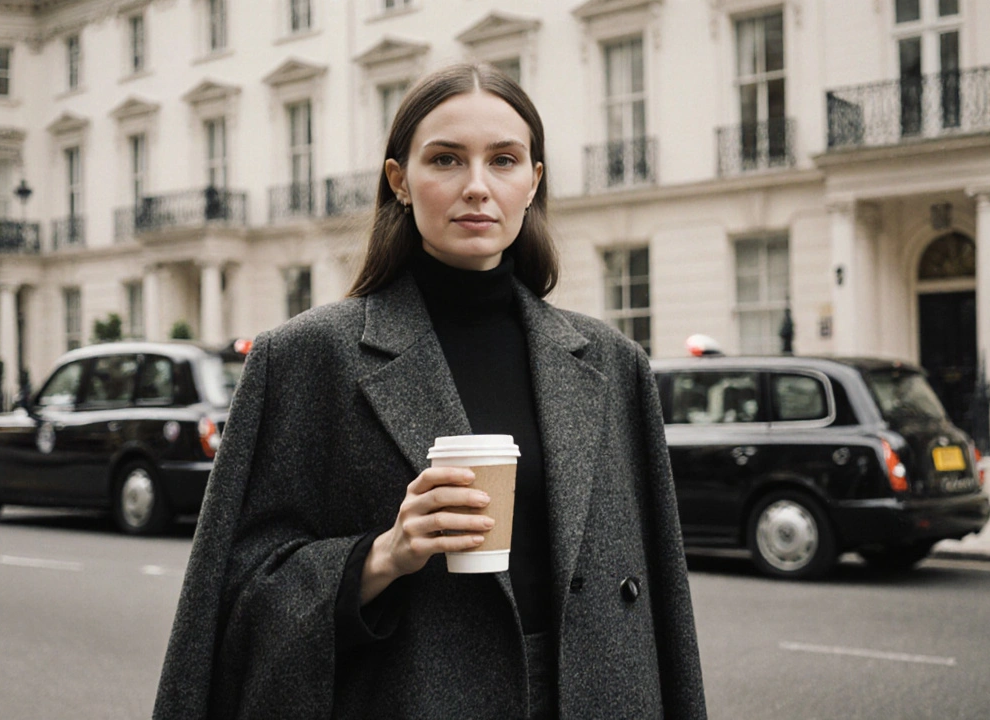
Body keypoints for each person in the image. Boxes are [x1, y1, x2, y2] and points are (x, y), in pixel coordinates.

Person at [153, 62, 707, 720]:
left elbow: (665, 607)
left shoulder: (614, 364)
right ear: (400, 181)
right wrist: (382, 555)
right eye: (446, 159)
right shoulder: (306, 357)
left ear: (533, 182)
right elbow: (236, 598)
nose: (477, 186)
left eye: (503, 160)